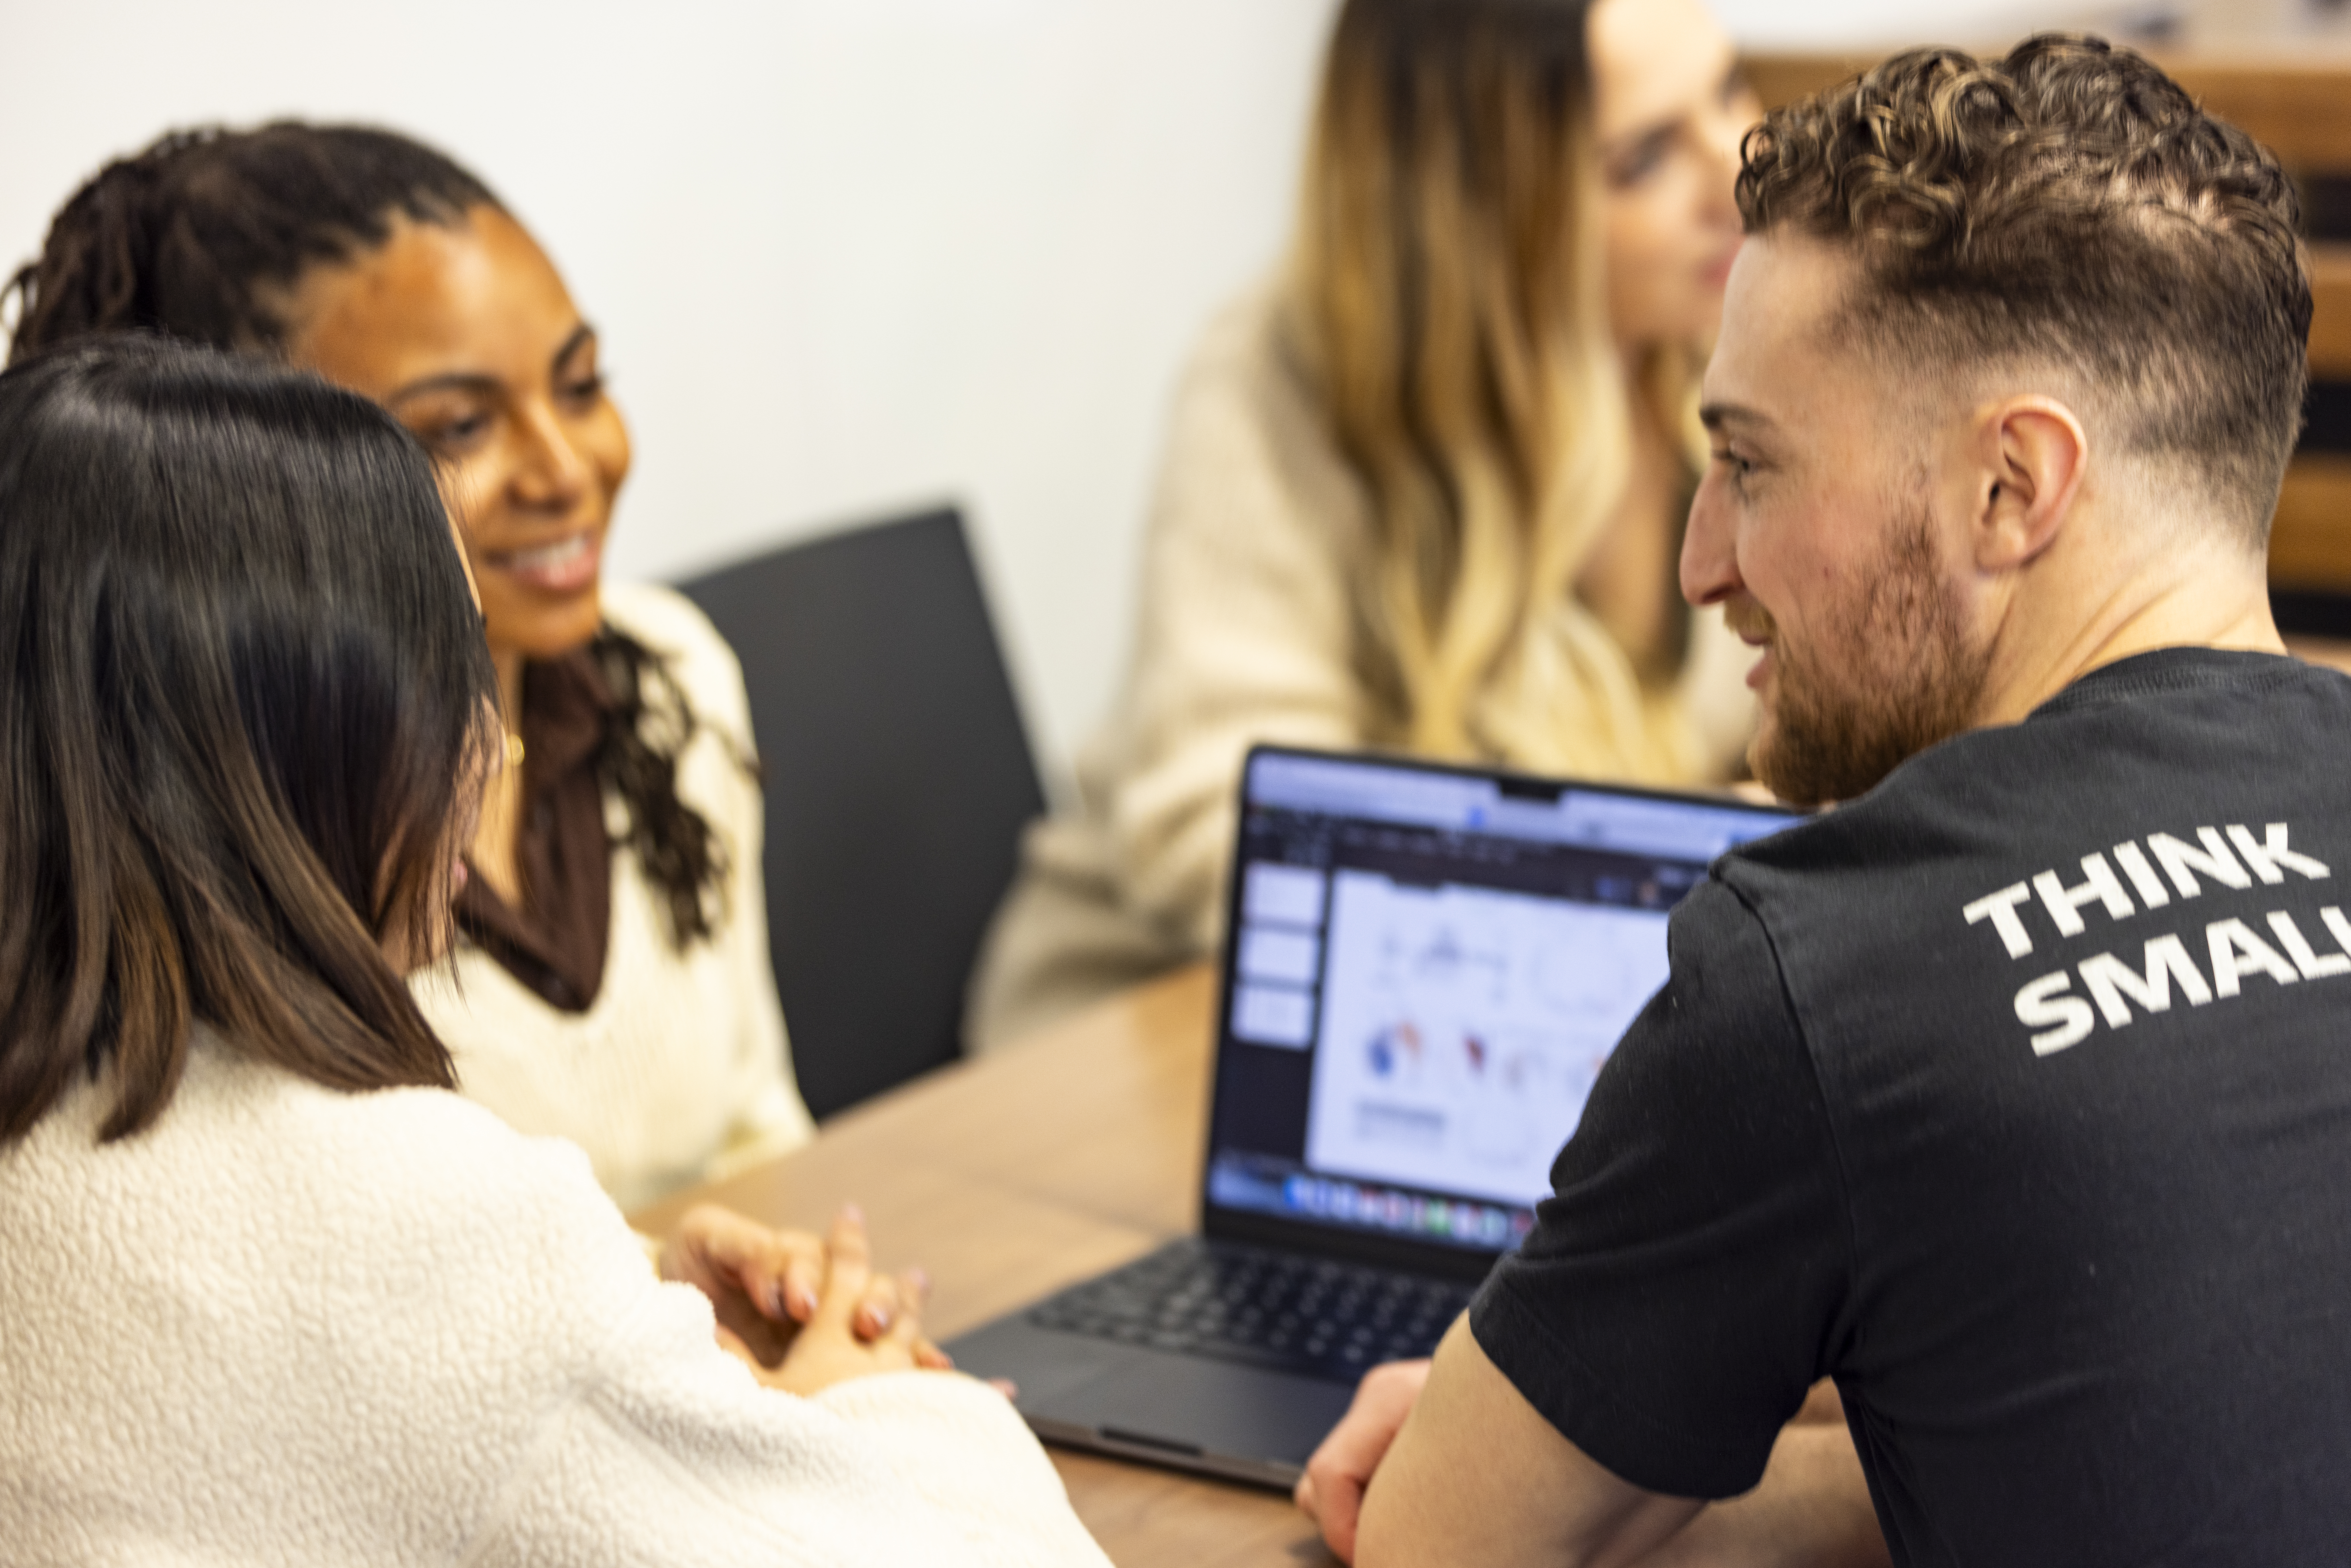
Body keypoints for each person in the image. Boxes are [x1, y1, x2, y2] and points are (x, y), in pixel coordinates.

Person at [1295, 33, 2349, 1567]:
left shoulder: (1824, 978)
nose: (1700, 562)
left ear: (2009, 487)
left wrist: (1600, 1409)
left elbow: (1434, 1542)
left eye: (1751, 464)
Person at [0, 335, 1109, 1567]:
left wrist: (630, 1301)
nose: (489, 746)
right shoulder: (432, 1230)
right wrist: (873, 1405)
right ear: (285, 741)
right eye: (450, 672)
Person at [5, 125, 812, 1208]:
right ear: (250, 476)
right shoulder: (232, 864)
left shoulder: (672, 678)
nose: (564, 470)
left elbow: (762, 1136)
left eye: (581, 385)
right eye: (461, 427)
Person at [966, 0, 1761, 1052]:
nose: (1741, 171)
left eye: (1730, 89)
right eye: (1643, 159)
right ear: (1478, 204)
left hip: (1577, 1017)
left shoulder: (1740, 352)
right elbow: (1220, 833)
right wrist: (1694, 875)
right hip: (1179, 1024)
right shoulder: (1280, 388)